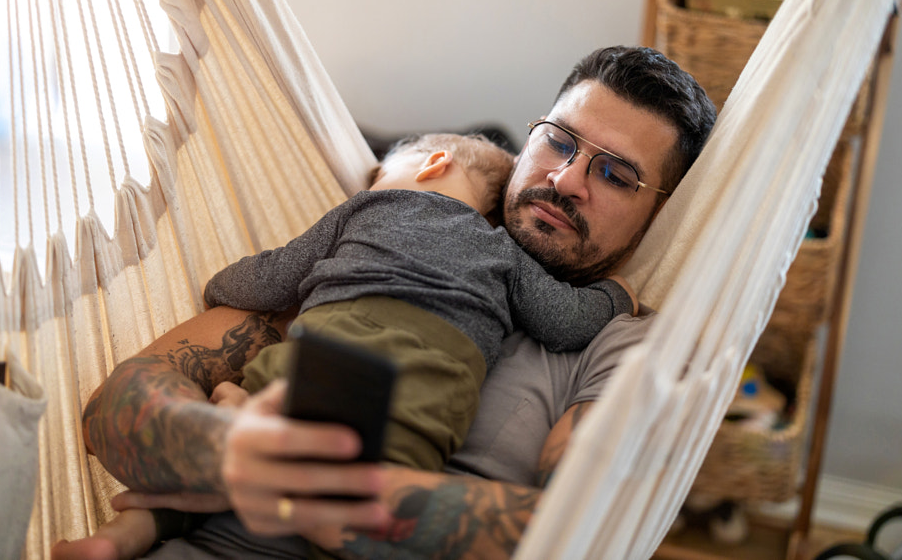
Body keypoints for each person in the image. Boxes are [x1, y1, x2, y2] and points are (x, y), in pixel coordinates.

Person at [64, 45, 716, 560]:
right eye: (560, 141)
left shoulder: (625, 344)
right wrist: (231, 450)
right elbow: (112, 407)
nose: (566, 178)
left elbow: (581, 531)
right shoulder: (382, 253)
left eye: (613, 174)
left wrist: (305, 491)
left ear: (660, 216)